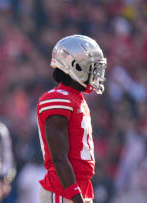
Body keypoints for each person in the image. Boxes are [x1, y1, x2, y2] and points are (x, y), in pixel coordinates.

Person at [36, 35, 107, 203]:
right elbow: (59, 157)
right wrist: (75, 195)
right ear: (75, 66)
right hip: (63, 189)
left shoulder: (74, 98)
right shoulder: (58, 98)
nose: (96, 72)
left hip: (75, 187)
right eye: (92, 66)